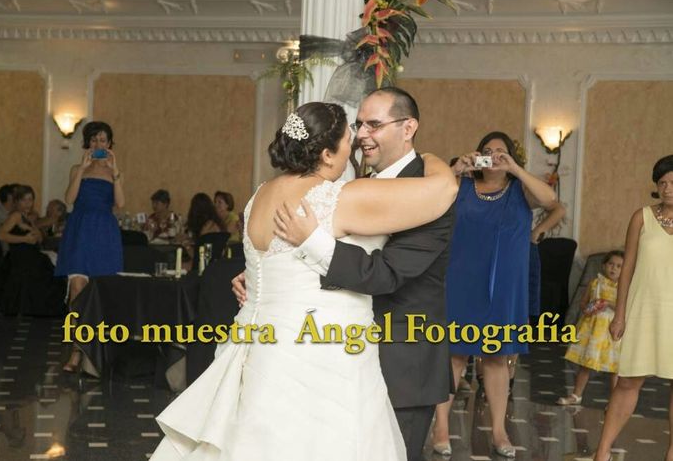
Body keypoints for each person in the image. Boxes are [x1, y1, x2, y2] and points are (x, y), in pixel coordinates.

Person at [150, 101, 457, 461]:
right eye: (348, 139)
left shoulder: (259, 195)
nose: (356, 143)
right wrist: (435, 159)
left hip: (262, 347)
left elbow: (270, 266)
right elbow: (444, 190)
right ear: (327, 154)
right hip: (321, 353)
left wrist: (253, 279)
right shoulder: (336, 198)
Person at [431, 131, 559, 458]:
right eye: (487, 151)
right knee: (455, 354)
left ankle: (500, 429)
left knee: (496, 356)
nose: (493, 157)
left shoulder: (521, 191)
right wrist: (456, 169)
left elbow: (550, 201)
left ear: (512, 156)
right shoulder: (460, 187)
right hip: (461, 281)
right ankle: (441, 426)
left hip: (503, 287)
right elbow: (428, 199)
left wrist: (516, 170)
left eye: (501, 152)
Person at [594, 155, 673, 461]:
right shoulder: (641, 217)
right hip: (644, 309)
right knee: (628, 381)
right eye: (662, 183)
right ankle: (602, 451)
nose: (667, 189)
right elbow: (626, 268)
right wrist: (620, 313)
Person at [55, 121, 124, 372]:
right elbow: (69, 199)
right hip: (81, 228)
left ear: (109, 144)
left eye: (103, 140)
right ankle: (76, 351)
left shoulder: (113, 171)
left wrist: (115, 172)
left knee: (102, 292)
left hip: (104, 231)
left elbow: (120, 203)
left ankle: (98, 352)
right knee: (77, 291)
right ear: (87, 143)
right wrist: (83, 169)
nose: (98, 144)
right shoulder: (77, 168)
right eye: (94, 140)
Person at [557, 250, 624, 406]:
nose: (614, 268)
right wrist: (589, 308)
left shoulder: (623, 287)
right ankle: (576, 394)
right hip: (593, 330)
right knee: (586, 364)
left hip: (611, 331)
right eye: (611, 264)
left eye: (619, 266)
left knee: (615, 367)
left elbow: (624, 308)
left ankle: (614, 402)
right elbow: (583, 303)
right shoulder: (595, 283)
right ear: (604, 265)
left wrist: (607, 304)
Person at [0, 186, 65, 316]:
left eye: (30, 200)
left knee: (54, 271)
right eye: (24, 200)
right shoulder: (15, 216)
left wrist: (37, 236)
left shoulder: (27, 218)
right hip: (23, 259)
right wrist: (24, 238)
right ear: (17, 201)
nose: (28, 203)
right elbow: (0, 235)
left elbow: (38, 238)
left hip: (32, 257)